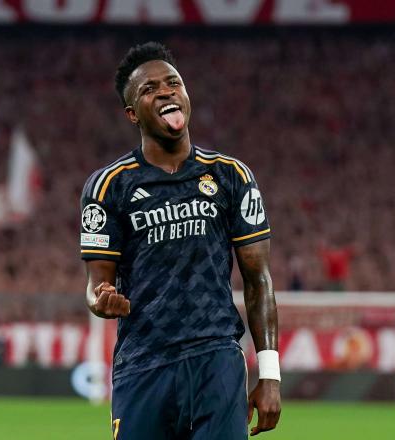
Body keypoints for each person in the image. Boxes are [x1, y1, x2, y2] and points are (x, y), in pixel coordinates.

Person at [80, 42, 281, 439]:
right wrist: (101, 300)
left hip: (216, 360)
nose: (167, 91)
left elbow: (258, 279)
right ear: (132, 113)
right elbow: (94, 286)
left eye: (174, 82)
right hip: (144, 365)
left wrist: (270, 374)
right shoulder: (108, 187)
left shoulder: (231, 176)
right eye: (150, 88)